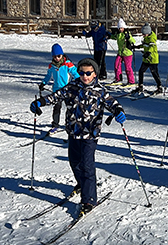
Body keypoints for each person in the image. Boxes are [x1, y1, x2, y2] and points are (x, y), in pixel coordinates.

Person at [29, 58, 126, 216]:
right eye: (82, 73)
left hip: (90, 134)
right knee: (74, 162)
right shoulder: (72, 87)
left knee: (87, 165)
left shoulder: (100, 90)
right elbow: (55, 96)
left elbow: (113, 103)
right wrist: (40, 101)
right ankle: (81, 184)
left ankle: (89, 199)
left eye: (88, 73)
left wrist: (119, 112)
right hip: (73, 132)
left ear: (94, 74)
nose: (85, 76)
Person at [39, 43, 80, 132]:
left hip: (67, 89)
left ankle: (71, 123)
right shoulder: (51, 66)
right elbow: (48, 76)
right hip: (56, 90)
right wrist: (43, 83)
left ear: (62, 55)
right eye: (55, 57)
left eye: (59, 56)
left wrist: (78, 82)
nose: (57, 58)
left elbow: (75, 73)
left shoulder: (67, 64)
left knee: (70, 107)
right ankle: (55, 124)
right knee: (57, 107)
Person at [135, 23, 163, 93]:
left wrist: (148, 53)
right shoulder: (146, 38)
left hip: (152, 59)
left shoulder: (152, 38)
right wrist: (136, 47)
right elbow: (144, 45)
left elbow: (152, 47)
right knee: (141, 71)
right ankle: (140, 86)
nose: (143, 35)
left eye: (144, 34)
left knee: (154, 73)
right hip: (146, 59)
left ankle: (159, 86)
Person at [110, 18, 136, 87]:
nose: (120, 29)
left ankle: (131, 81)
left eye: (121, 28)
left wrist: (128, 38)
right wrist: (108, 36)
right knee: (116, 65)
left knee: (128, 68)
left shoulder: (127, 33)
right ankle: (118, 79)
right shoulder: (118, 34)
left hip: (127, 53)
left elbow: (133, 41)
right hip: (120, 53)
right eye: (119, 28)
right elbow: (114, 37)